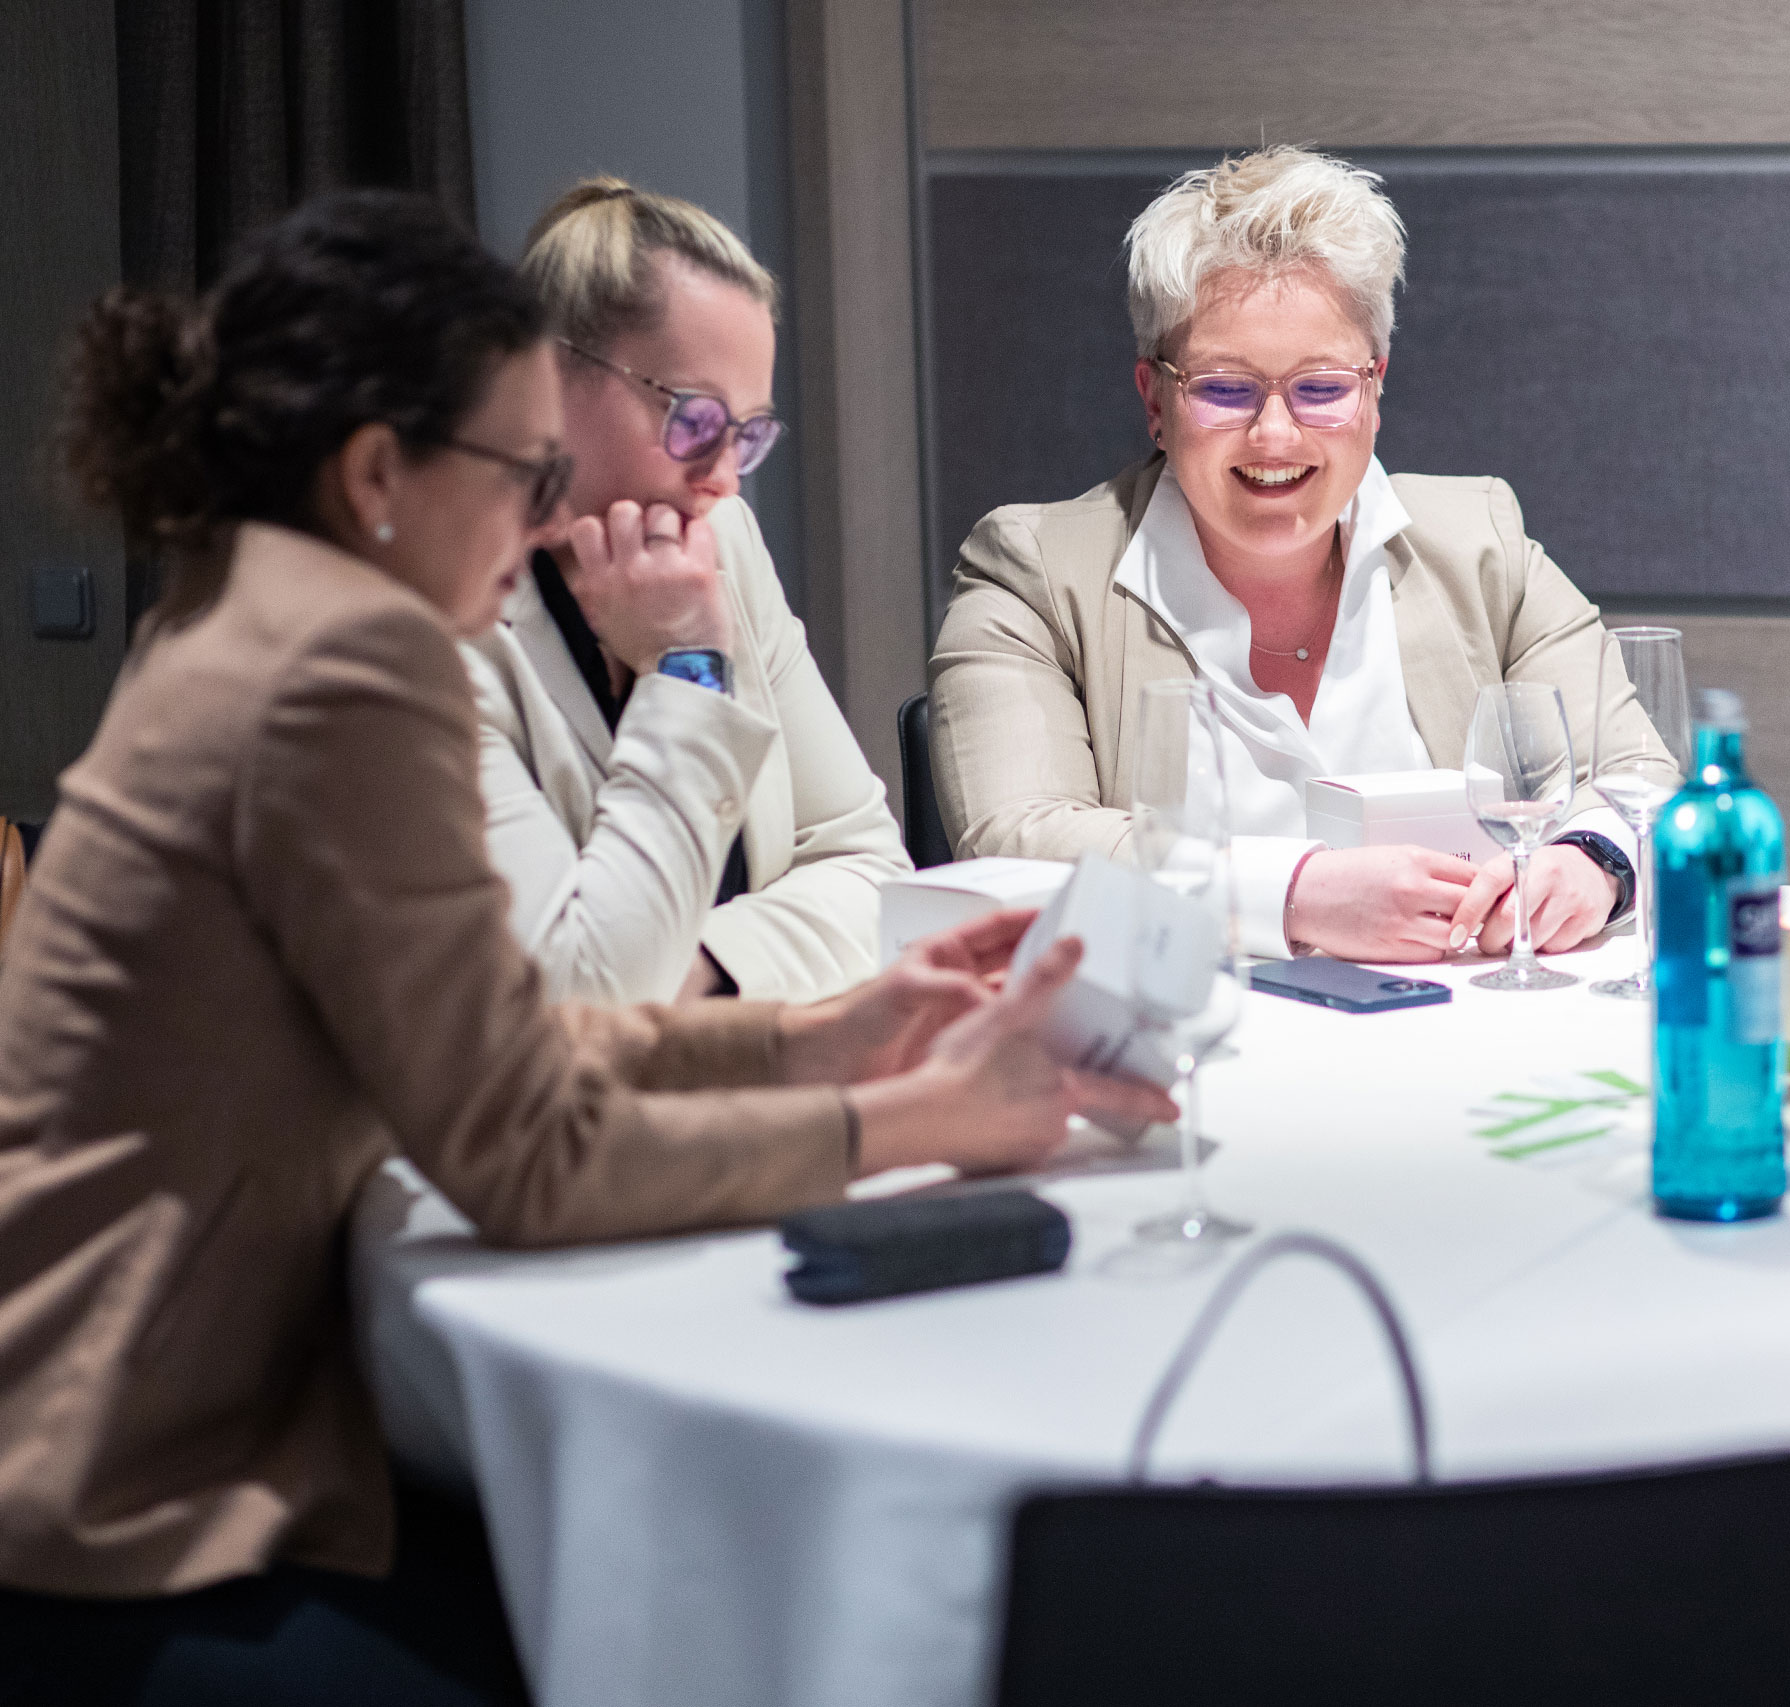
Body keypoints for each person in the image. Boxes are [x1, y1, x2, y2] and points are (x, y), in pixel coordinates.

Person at [0, 191, 1170, 1704]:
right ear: (376, 475)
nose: (543, 503)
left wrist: (822, 1032)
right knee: (733, 1636)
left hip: (174, 1417)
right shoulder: (345, 668)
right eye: (517, 466)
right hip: (139, 1498)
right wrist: (920, 1116)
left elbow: (492, 1031)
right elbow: (526, 1155)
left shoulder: (258, 614)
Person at [928, 145, 1670, 963]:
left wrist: (1590, 862)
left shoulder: (1481, 543)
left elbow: (1645, 779)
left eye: (1320, 388)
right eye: (1223, 388)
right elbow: (1014, 842)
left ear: (1375, 389)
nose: (1274, 434)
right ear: (1155, 399)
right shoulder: (1032, 575)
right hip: (1178, 1057)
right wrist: (1301, 893)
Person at [469, 177, 909, 1005]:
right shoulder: (441, 621)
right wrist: (688, 666)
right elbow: (570, 996)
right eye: (695, 423)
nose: (725, 485)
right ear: (547, 376)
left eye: (746, 437)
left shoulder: (723, 545)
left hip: (738, 1078)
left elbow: (868, 863)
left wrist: (699, 968)